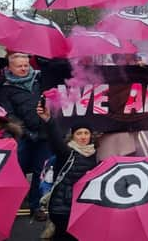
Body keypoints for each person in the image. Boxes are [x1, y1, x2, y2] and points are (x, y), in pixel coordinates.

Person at [0, 52, 51, 221]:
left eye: (26, 65)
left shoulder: (40, 81)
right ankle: (9, 207)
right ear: (10, 68)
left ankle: (35, 206)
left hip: (43, 134)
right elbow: (8, 114)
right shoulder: (5, 88)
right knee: (15, 172)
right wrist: (25, 132)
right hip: (21, 136)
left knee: (40, 172)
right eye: (19, 66)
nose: (23, 69)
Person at [37, 102, 97, 241]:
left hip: (80, 208)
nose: (83, 136)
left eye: (86, 133)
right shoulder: (66, 152)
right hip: (62, 209)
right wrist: (49, 120)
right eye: (79, 133)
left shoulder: (93, 154)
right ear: (73, 136)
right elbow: (55, 140)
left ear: (90, 136)